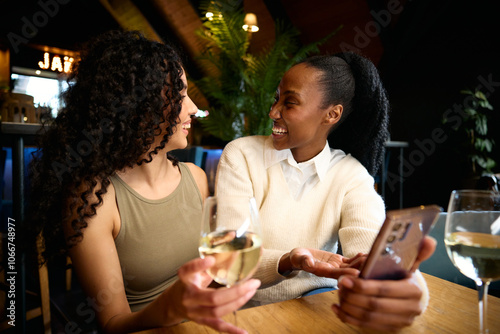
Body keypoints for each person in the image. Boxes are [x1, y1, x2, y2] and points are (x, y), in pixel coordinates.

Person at [24, 30, 260, 334]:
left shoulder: (197, 178)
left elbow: (211, 276)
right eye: (179, 95)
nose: (192, 109)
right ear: (137, 106)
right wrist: (171, 308)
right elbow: (112, 324)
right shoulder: (93, 196)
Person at [215, 52, 436, 332]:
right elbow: (229, 256)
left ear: (332, 114)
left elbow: (373, 254)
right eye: (276, 98)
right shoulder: (242, 154)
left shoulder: (351, 174)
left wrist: (404, 287)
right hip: (246, 312)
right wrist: (289, 259)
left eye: (289, 102)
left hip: (320, 308)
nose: (273, 112)